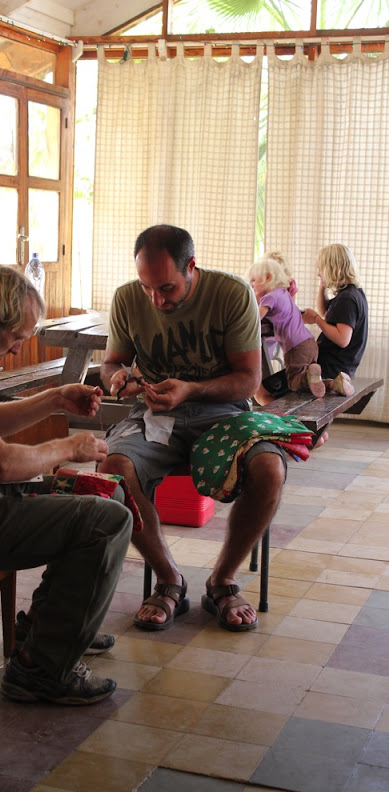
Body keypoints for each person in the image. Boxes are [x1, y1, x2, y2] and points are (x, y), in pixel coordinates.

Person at [0, 262, 133, 706]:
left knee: (106, 493)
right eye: (15, 337)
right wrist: (68, 447)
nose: (16, 348)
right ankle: (41, 671)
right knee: (108, 522)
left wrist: (54, 398)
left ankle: (46, 631)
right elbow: (1, 465)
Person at [97, 225, 287, 633]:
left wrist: (191, 389)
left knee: (270, 468)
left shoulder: (232, 294)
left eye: (166, 288)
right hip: (155, 415)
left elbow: (249, 381)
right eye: (147, 287)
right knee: (113, 468)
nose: (156, 300)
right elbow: (112, 362)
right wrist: (116, 378)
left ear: (191, 267)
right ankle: (169, 579)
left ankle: (222, 581)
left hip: (224, 413)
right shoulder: (127, 298)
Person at [248, 257, 325, 405]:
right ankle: (330, 383)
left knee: (294, 383)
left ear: (268, 278)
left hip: (295, 347)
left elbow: (255, 318)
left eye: (254, 281)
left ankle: (308, 376)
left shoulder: (269, 298)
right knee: (311, 384)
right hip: (309, 342)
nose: (252, 285)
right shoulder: (283, 293)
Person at [302, 244, 368, 397]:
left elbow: (342, 339)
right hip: (339, 365)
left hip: (332, 367)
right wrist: (322, 287)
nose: (318, 274)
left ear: (331, 269)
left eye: (321, 269)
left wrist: (316, 319)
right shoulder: (352, 293)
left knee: (276, 386)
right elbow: (325, 312)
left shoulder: (347, 299)